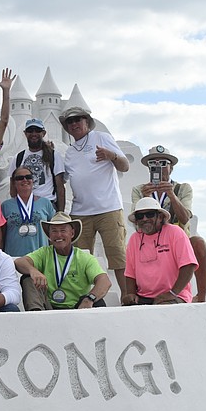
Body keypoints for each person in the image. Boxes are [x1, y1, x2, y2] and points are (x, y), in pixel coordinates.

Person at [60, 106, 130, 296]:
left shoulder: (101, 137)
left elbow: (125, 166)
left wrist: (111, 155)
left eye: (78, 120)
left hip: (109, 208)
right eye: (70, 122)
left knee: (117, 254)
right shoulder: (70, 152)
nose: (74, 124)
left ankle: (127, 296)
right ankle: (83, 297)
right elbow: (62, 178)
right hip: (81, 212)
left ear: (87, 122)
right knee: (80, 259)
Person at [131, 145, 206, 302]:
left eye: (163, 163)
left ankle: (201, 297)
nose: (158, 167)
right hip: (150, 240)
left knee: (198, 243)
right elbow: (137, 223)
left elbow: (185, 218)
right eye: (153, 163)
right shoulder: (140, 190)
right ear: (148, 168)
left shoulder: (182, 188)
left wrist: (171, 195)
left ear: (171, 168)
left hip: (178, 241)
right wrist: (145, 200)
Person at [14, 212, 111, 310]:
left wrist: (89, 299)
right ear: (49, 235)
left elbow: (104, 281)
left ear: (72, 233)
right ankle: (36, 315)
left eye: (63, 230)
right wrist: (33, 271)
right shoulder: (44, 253)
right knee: (27, 278)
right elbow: (19, 262)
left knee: (97, 301)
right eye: (54, 231)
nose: (58, 235)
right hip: (48, 307)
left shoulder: (84, 258)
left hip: (78, 308)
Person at [122, 197, 198, 305]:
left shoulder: (175, 232)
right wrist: (130, 294)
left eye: (149, 214)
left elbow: (189, 265)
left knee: (161, 310)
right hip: (143, 297)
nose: (144, 219)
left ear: (160, 217)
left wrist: (172, 293)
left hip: (174, 295)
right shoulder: (134, 239)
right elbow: (130, 273)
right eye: (140, 216)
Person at [8, 118, 66, 211]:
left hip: (47, 205)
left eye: (37, 130)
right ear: (25, 133)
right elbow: (12, 185)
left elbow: (60, 186)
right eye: (30, 130)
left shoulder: (54, 155)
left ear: (43, 133)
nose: (34, 133)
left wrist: (61, 213)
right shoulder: (18, 157)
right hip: (24, 205)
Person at [1, 166, 56, 257]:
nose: (25, 180)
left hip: (40, 258)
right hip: (14, 257)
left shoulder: (45, 203)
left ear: (33, 180)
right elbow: (2, 235)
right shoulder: (6, 206)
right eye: (20, 178)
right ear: (14, 183)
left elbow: (53, 231)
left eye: (28, 177)